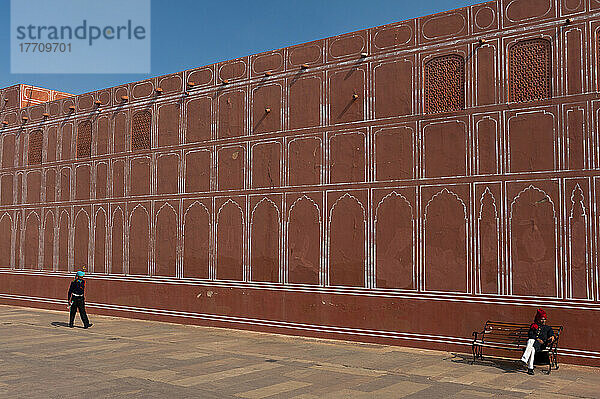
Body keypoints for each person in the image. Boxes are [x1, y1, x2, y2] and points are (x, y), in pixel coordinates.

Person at [521, 308, 554, 374]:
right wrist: (537, 339)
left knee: (531, 343)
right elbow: (530, 334)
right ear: (538, 319)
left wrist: (552, 336)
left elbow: (551, 334)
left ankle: (524, 359)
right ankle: (530, 368)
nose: (543, 321)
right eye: (542, 319)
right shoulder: (534, 326)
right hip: (533, 344)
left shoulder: (548, 328)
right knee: (532, 348)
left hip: (541, 345)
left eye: (544, 319)